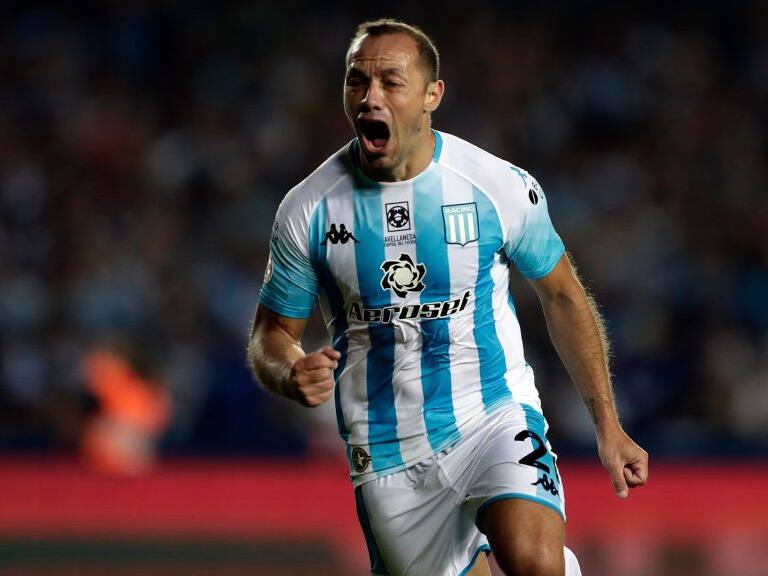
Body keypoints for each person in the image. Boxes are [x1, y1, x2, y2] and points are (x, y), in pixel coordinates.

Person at [248, 18, 648, 576]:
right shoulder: (308, 208)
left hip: (492, 414)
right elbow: (271, 334)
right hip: (385, 450)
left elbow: (561, 294)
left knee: (536, 563)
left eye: (391, 81)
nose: (370, 96)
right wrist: (290, 372)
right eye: (356, 81)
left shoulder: (493, 184)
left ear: (432, 95)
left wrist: (608, 424)